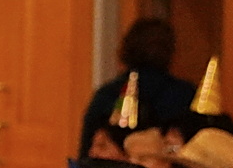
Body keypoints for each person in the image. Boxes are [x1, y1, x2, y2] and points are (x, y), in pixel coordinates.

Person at [78, 18, 198, 156]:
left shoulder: (107, 95)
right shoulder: (184, 95)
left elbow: (85, 155)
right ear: (170, 51)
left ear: (125, 49)